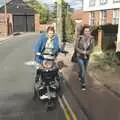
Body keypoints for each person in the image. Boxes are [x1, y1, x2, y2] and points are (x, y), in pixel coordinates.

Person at [75, 26, 94, 91]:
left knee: (84, 69)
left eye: (88, 31)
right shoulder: (79, 38)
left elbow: (92, 49)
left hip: (87, 57)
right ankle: (83, 84)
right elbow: (76, 47)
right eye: (85, 31)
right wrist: (82, 52)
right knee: (83, 71)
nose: (87, 32)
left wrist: (87, 52)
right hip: (80, 56)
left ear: (90, 32)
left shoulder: (91, 38)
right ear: (83, 31)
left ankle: (79, 74)